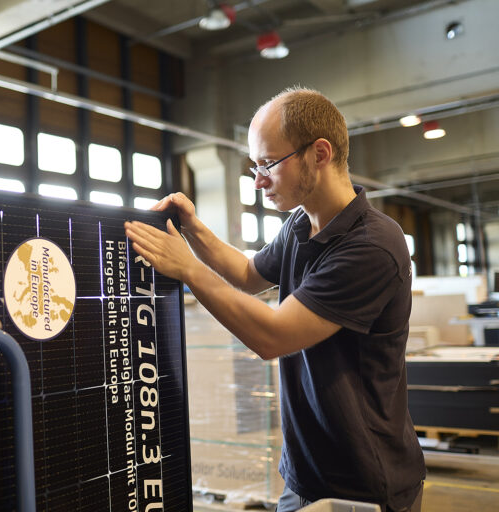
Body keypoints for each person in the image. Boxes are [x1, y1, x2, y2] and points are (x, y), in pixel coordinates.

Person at [124, 87, 425, 512]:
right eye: (254, 166)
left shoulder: (372, 245)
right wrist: (193, 230)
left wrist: (188, 270)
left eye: (268, 164)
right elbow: (249, 275)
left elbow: (274, 336)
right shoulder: (301, 224)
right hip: (303, 474)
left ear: (319, 154)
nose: (258, 180)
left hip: (362, 484)